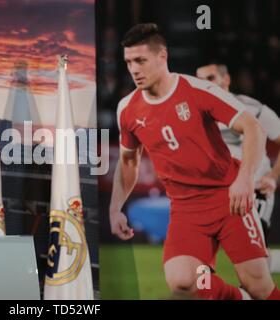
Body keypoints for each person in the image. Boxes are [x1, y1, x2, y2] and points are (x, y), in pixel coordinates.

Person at [109, 23, 280, 300]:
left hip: (229, 200)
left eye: (141, 60)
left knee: (259, 286)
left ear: (162, 56)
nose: (134, 69)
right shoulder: (127, 109)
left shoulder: (197, 90)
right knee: (185, 283)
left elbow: (254, 129)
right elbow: (129, 161)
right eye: (129, 62)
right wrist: (116, 207)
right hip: (186, 210)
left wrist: (244, 179)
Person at [196, 64, 280, 253]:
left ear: (226, 80)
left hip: (254, 191)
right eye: (199, 81)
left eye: (210, 78)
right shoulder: (195, 115)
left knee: (254, 259)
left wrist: (272, 177)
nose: (204, 85)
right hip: (216, 194)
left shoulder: (253, 110)